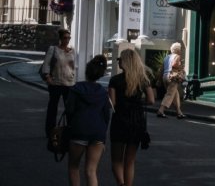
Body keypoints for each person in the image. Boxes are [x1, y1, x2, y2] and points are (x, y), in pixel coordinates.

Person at [108, 49, 155, 186]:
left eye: (120, 59)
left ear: (125, 62)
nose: (119, 61)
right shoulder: (143, 80)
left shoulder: (115, 80)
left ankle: (121, 184)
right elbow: (151, 100)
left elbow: (112, 103)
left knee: (117, 160)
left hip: (120, 120)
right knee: (130, 161)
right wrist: (137, 103)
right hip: (136, 121)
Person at [65, 55, 112, 186]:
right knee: (91, 171)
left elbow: (69, 110)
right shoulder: (103, 92)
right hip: (97, 132)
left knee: (73, 167)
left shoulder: (75, 89)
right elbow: (106, 115)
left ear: (86, 72)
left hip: (79, 130)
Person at [41, 28, 76, 137]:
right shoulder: (54, 49)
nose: (67, 40)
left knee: (70, 109)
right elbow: (46, 64)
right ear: (60, 39)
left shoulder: (72, 51)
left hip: (69, 84)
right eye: (65, 38)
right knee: (53, 109)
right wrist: (47, 77)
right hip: (56, 83)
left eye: (68, 38)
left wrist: (74, 77)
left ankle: (70, 130)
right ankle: (50, 131)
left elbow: (74, 66)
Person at [156, 42, 185, 119]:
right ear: (178, 50)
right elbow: (174, 64)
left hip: (165, 76)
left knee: (175, 94)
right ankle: (161, 110)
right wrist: (181, 67)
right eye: (180, 49)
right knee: (169, 94)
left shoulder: (166, 57)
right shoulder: (177, 56)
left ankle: (179, 112)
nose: (181, 51)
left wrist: (159, 80)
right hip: (173, 77)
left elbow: (161, 69)